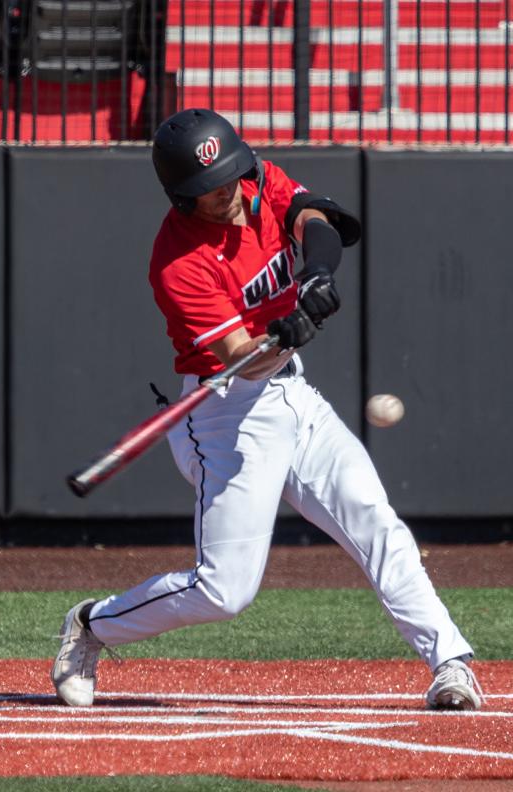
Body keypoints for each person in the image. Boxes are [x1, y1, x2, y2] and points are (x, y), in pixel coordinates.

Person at [51, 108, 483, 712]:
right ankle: (93, 625)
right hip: (229, 413)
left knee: (373, 517)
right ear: (181, 197)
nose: (227, 193)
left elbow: (315, 219)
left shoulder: (255, 184)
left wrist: (316, 277)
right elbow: (240, 358)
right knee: (224, 591)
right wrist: (284, 334)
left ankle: (449, 663)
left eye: (230, 176)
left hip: (295, 396)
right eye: (210, 189)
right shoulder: (179, 263)